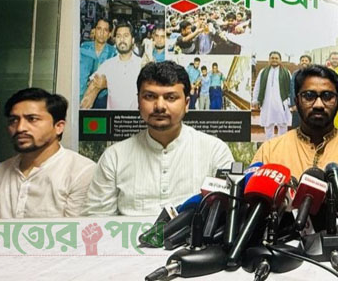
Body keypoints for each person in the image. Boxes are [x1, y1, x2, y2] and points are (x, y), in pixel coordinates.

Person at [85, 62, 234, 215]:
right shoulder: (114, 157)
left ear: (187, 104)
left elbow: (229, 215)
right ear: (138, 102)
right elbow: (96, 221)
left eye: (171, 97)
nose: (159, 106)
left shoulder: (215, 152)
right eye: (150, 96)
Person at [253, 65, 338, 184]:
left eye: (327, 96)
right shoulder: (269, 152)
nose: (319, 105)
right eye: (309, 96)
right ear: (297, 101)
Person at [0, 88, 95, 218]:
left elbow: (78, 229)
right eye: (13, 120)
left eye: (32, 119)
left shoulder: (81, 173)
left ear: (58, 127)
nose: (20, 128)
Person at [80, 22, 142, 110]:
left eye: (126, 36)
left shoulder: (141, 65)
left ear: (132, 40)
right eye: (118, 36)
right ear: (115, 40)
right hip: (113, 117)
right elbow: (93, 86)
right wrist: (83, 107)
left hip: (135, 117)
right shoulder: (108, 65)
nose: (122, 39)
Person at [252, 51, 292, 140]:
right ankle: (269, 143)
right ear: (269, 59)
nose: (274, 60)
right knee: (268, 124)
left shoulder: (286, 72)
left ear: (280, 60)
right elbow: (257, 86)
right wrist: (255, 100)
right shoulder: (263, 72)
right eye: (272, 58)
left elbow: (290, 87)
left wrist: (289, 101)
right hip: (267, 102)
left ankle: (282, 143)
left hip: (281, 102)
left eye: (276, 58)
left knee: (282, 124)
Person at [80, 18, 117, 108]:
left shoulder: (113, 53)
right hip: (81, 93)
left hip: (102, 97)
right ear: (94, 30)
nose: (101, 33)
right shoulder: (84, 48)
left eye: (105, 30)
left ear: (109, 34)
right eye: (99, 29)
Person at [290, 55, 312, 128]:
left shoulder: (313, 73)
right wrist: (293, 104)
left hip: (310, 102)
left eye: (306, 60)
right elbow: (292, 88)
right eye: (302, 60)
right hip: (298, 102)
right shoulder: (295, 74)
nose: (304, 62)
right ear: (300, 62)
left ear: (310, 62)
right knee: (296, 125)